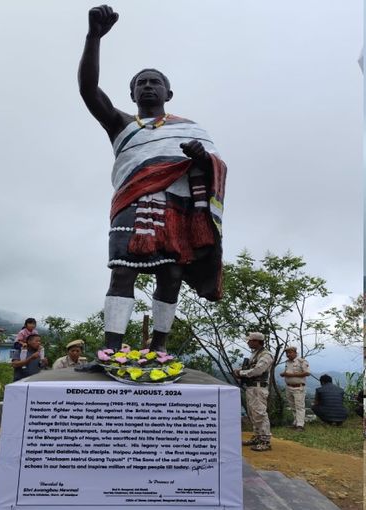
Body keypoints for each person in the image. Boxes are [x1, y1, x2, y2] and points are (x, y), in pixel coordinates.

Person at [79, 5, 227, 353]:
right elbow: (89, 89)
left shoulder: (190, 128)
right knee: (122, 271)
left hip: (177, 206)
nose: (147, 86)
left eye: (154, 82)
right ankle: (111, 348)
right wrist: (93, 38)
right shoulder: (122, 124)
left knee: (171, 276)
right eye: (140, 83)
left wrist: (202, 157)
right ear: (132, 95)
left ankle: (159, 347)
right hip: (132, 203)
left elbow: (216, 165)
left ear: (168, 93)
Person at [233, 332, 273, 451]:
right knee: (253, 413)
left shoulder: (266, 355)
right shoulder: (256, 354)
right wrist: (240, 370)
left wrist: (241, 373)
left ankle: (265, 440)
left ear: (256, 341)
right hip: (252, 387)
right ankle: (257, 436)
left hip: (258, 387)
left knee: (260, 413)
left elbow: (258, 371)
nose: (248, 342)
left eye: (250, 340)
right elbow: (251, 368)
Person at [280, 346, 310, 430]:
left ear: (295, 352)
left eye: (290, 352)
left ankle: (300, 425)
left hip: (298, 387)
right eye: (287, 353)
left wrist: (291, 375)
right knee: (292, 406)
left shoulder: (301, 361)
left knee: (299, 406)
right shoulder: (287, 362)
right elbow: (288, 372)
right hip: (289, 386)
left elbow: (307, 373)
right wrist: (284, 374)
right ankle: (296, 422)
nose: (288, 354)